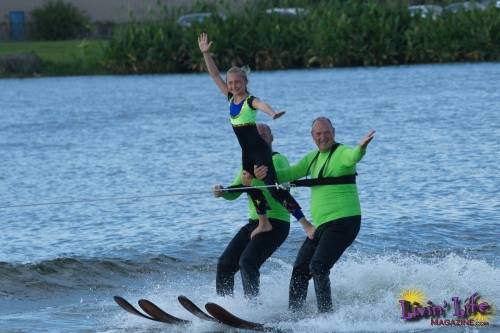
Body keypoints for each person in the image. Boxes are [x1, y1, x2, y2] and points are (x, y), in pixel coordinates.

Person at [253, 117, 375, 313]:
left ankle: (326, 317)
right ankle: (295, 316)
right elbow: (288, 173)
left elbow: (353, 156)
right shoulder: (313, 158)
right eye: (318, 133)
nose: (323, 137)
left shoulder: (341, 152)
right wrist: (264, 172)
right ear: (312, 136)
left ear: (333, 132)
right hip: (323, 225)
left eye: (326, 132)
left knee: (318, 266)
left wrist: (360, 148)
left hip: (344, 222)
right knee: (300, 269)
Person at [198, 32, 310, 239]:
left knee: (275, 189)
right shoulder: (231, 98)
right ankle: (264, 222)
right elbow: (214, 75)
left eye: (237, 83)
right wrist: (206, 54)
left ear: (244, 82)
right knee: (248, 182)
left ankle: (305, 224)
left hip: (258, 149)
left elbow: (262, 105)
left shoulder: (250, 100)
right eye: (230, 83)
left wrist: (273, 113)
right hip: (246, 152)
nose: (233, 86)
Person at [213, 123, 291, 298]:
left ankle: (252, 308)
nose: (259, 139)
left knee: (247, 262)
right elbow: (235, 191)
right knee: (225, 263)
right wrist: (222, 192)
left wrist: (254, 180)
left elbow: (274, 182)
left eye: (263, 135)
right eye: (255, 136)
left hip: (276, 224)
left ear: (271, 139)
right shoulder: (246, 166)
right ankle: (225, 306)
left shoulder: (278, 159)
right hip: (255, 223)